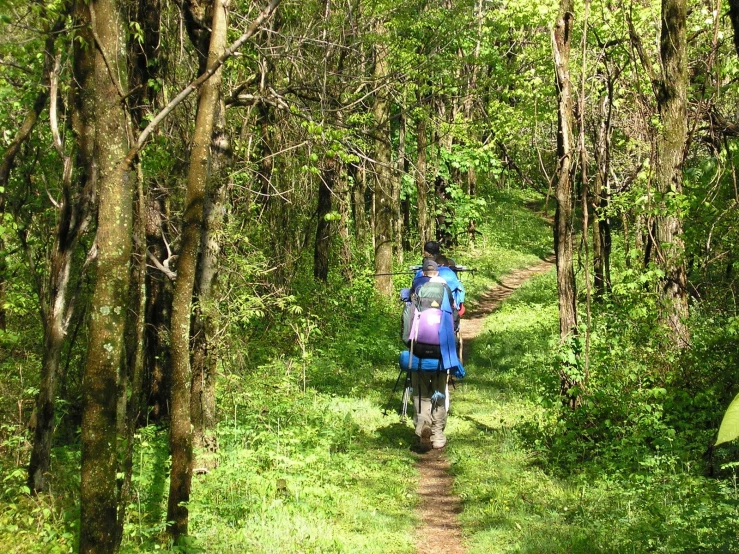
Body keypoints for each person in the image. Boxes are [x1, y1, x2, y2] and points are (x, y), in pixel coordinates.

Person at [407, 258, 460, 451]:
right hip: (440, 352)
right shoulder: (445, 289)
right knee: (438, 392)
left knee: (420, 394)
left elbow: (408, 319)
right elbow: (454, 318)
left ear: (422, 273)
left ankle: (422, 426)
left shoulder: (417, 287)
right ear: (437, 273)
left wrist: (410, 344)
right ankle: (438, 435)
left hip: (419, 350)